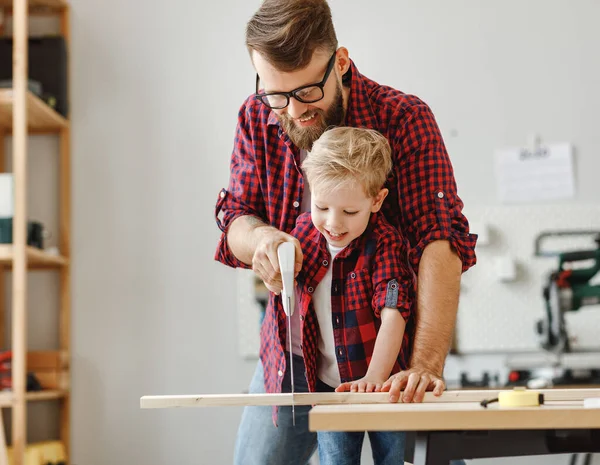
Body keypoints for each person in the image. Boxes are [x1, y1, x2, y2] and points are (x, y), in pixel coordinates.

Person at [213, 1, 477, 463]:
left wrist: (425, 366)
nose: (292, 111)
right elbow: (236, 215)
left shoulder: (404, 119)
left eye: (307, 91)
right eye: (276, 94)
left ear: (340, 61)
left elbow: (440, 242)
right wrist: (261, 241)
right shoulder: (257, 117)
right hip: (290, 359)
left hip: (386, 364)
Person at [289, 126, 414, 465]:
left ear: (376, 200)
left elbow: (394, 312)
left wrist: (375, 378)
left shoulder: (384, 243)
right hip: (331, 387)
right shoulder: (302, 233)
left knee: (400, 459)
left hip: (387, 387)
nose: (333, 223)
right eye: (322, 206)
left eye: (349, 212)